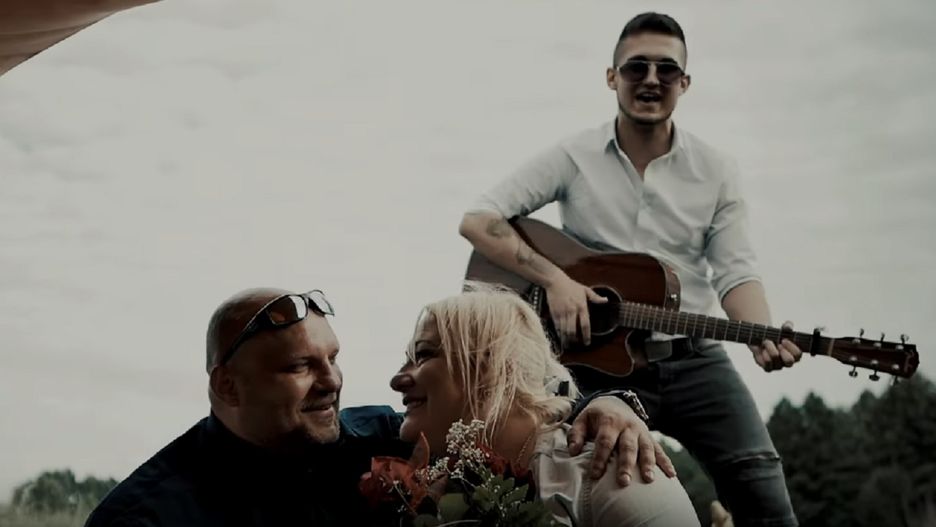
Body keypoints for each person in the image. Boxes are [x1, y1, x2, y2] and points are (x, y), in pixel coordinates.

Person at [458, 12, 801, 526]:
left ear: (685, 82)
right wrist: (557, 282)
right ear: (612, 76)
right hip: (588, 361)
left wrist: (761, 331)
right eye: (637, 67)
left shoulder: (716, 170)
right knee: (568, 489)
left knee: (763, 492)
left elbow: (736, 272)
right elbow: (479, 220)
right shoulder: (574, 156)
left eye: (667, 69)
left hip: (691, 359)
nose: (651, 79)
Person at [85, 287, 671, 526]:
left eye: (333, 359)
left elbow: (504, 406)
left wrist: (608, 403)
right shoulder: (145, 517)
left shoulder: (378, 436)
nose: (332, 382)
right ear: (228, 387)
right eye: (299, 367)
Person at [390, 286, 699, 526]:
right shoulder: (426, 489)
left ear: (493, 365)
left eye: (424, 355)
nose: (396, 380)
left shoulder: (607, 473)